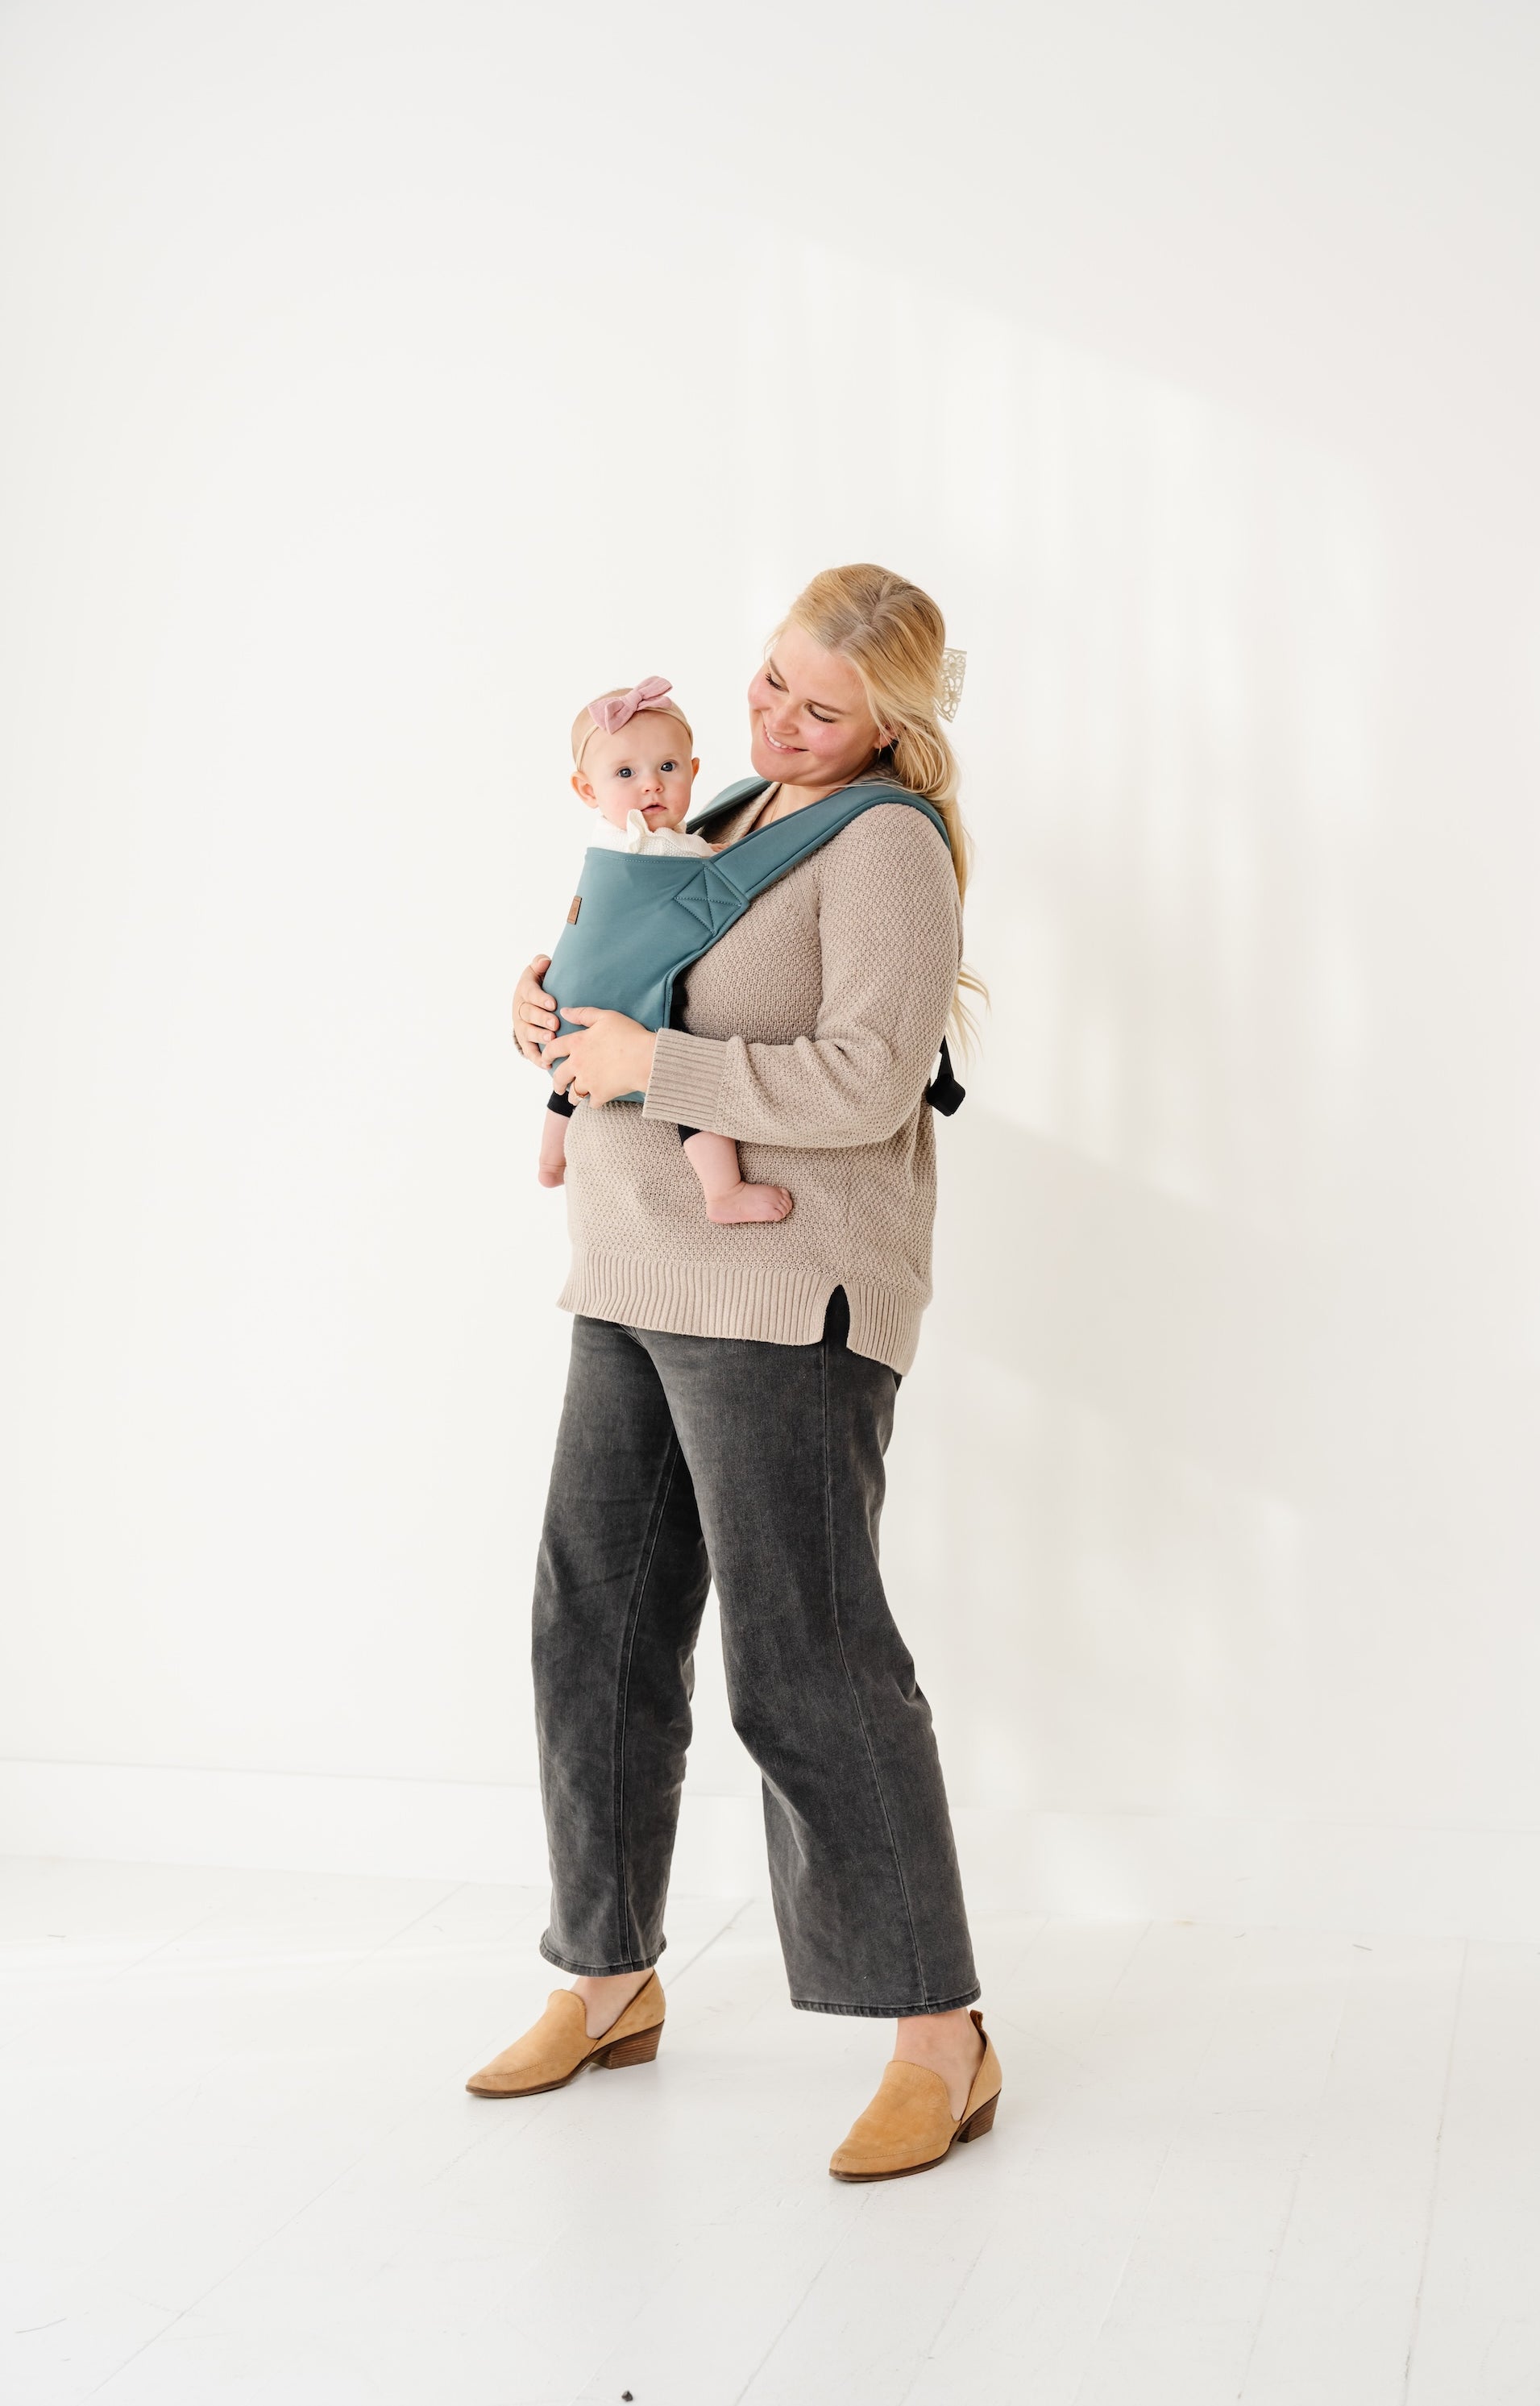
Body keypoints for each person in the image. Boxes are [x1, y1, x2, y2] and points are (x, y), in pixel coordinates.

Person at [467, 563, 1002, 2180]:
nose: (777, 720)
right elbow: (634, 986)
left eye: (821, 708)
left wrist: (657, 1061)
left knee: (807, 1659)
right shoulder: (712, 812)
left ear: (890, 723)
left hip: (782, 1293)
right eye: (772, 681)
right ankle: (607, 1976)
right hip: (632, 1267)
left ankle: (941, 2036)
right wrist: (550, 1017)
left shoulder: (887, 847)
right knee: (594, 1627)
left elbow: (867, 1080)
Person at [538, 675, 794, 1224]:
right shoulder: (637, 837)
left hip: (569, 992)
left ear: (695, 771)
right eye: (625, 773)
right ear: (587, 791)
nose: (651, 786)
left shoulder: (632, 837)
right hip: (615, 996)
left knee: (568, 1075)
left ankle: (550, 1156)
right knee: (687, 1076)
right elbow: (687, 872)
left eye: (668, 767)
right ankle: (723, 1188)